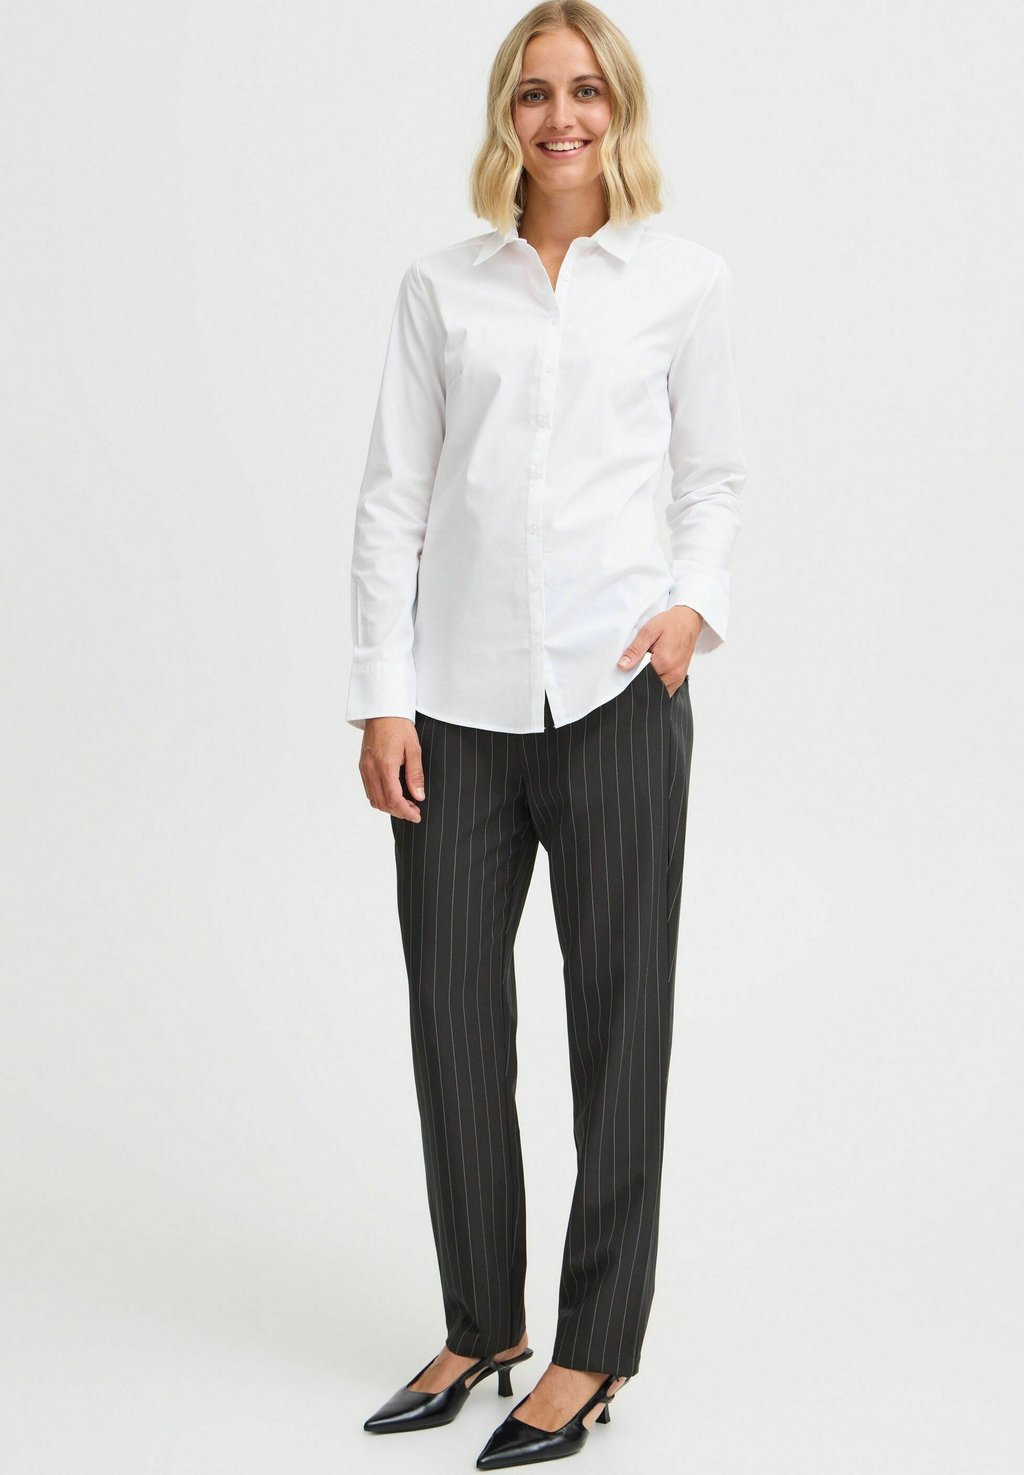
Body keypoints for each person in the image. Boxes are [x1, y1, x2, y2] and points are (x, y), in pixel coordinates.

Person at [348, 3, 746, 1466]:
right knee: (453, 1024)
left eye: (586, 91)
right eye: (534, 93)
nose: (561, 117)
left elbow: (713, 479)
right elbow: (394, 496)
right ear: (504, 115)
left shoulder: (683, 282)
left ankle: (594, 1348)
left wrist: (692, 610)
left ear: (618, 108)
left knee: (618, 1030)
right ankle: (482, 1324)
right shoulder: (442, 288)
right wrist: (380, 694)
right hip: (454, 711)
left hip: (619, 699)